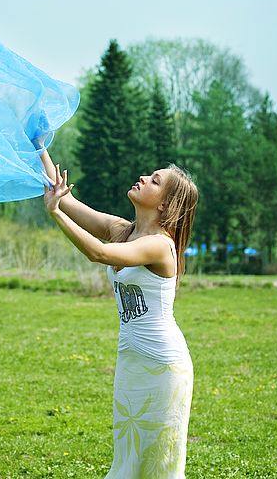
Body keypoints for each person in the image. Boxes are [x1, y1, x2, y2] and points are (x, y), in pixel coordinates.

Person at [40, 148, 199, 478]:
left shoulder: (159, 245)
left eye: (154, 180)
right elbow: (64, 196)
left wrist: (55, 214)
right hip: (131, 362)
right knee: (128, 457)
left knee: (158, 465)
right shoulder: (122, 229)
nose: (143, 178)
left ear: (166, 205)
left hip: (163, 366)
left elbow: (99, 253)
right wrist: (38, 145)